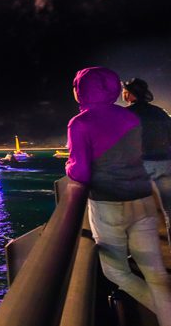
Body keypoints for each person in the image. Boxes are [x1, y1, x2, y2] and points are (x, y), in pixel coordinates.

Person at [66, 67, 171, 324]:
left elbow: (80, 172)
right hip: (143, 198)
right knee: (156, 273)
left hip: (108, 204)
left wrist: (68, 166)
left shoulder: (80, 123)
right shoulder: (130, 119)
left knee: (116, 271)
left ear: (81, 90)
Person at [123, 77, 171, 244]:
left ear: (129, 94)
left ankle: (140, 252)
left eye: (124, 91)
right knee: (169, 209)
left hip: (139, 166)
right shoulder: (160, 112)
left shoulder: (125, 115)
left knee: (135, 213)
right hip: (165, 163)